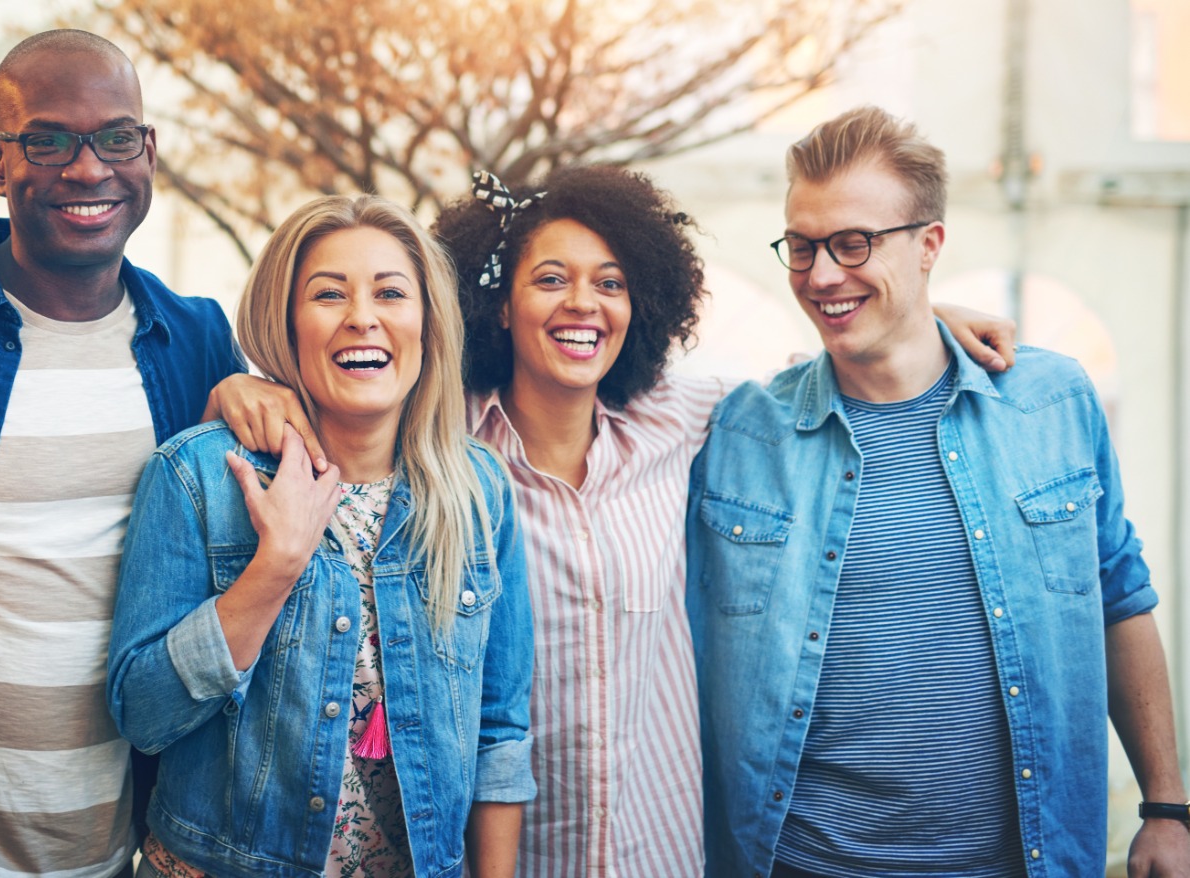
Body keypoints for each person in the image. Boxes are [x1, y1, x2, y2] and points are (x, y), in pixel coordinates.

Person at [206, 164, 1016, 876]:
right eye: (551, 278)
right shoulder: (441, 446)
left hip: (659, 848)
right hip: (508, 853)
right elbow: (350, 386)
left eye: (612, 282)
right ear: (496, 304)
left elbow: (818, 379)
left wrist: (923, 311)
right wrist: (246, 388)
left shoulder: (686, 421)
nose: (583, 304)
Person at [686, 105, 1190, 877]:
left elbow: (1119, 595)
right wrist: (900, 310)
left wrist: (1166, 805)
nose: (821, 275)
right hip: (802, 864)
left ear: (930, 245)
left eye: (853, 243)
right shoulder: (740, 433)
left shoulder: (1053, 403)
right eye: (802, 246)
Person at [0, 29, 245, 877]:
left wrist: (269, 394)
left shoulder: (196, 342)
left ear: (148, 151)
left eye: (116, 137)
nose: (87, 168)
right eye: (48, 139)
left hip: (119, 844)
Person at [108, 194, 535, 877]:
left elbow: (500, 734)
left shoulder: (479, 492)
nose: (362, 317)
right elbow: (142, 714)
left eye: (391, 293)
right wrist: (273, 567)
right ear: (286, 322)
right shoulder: (198, 476)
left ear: (428, 324)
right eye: (329, 294)